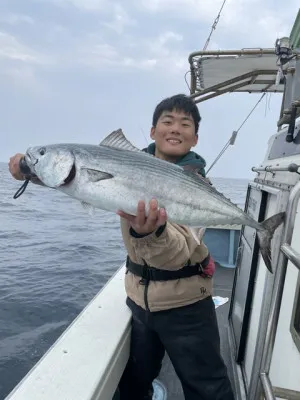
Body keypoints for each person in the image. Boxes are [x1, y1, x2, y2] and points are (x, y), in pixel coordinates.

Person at [8, 94, 235, 400]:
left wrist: (150, 233)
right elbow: (76, 180)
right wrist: (29, 170)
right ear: (152, 131)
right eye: (167, 121)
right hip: (140, 302)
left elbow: (180, 249)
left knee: (208, 387)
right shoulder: (124, 162)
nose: (175, 128)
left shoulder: (195, 182)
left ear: (194, 138)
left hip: (188, 307)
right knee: (134, 384)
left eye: (185, 124)